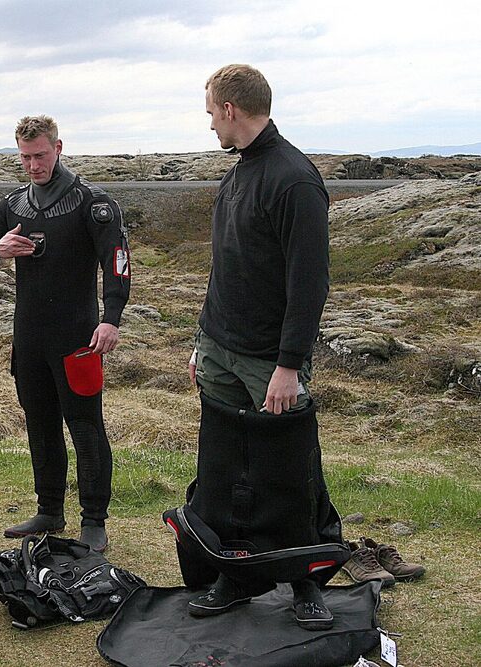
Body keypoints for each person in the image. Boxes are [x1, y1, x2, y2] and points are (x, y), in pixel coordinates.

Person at [185, 65, 336, 629]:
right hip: (220, 349)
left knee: (288, 471)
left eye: (209, 113)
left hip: (269, 361)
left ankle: (304, 581)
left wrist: (288, 366)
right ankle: (235, 575)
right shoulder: (239, 172)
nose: (209, 126)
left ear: (230, 108)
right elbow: (228, 265)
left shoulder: (294, 178)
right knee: (224, 470)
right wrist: (204, 339)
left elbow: (309, 282)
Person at [0, 115, 130, 552]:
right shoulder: (13, 205)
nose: (33, 165)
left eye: (40, 155)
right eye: (24, 157)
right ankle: (49, 510)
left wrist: (110, 318)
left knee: (86, 427)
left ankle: (94, 520)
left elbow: (117, 263)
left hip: (78, 338)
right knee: (39, 425)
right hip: (30, 338)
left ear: (59, 148)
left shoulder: (93, 203)